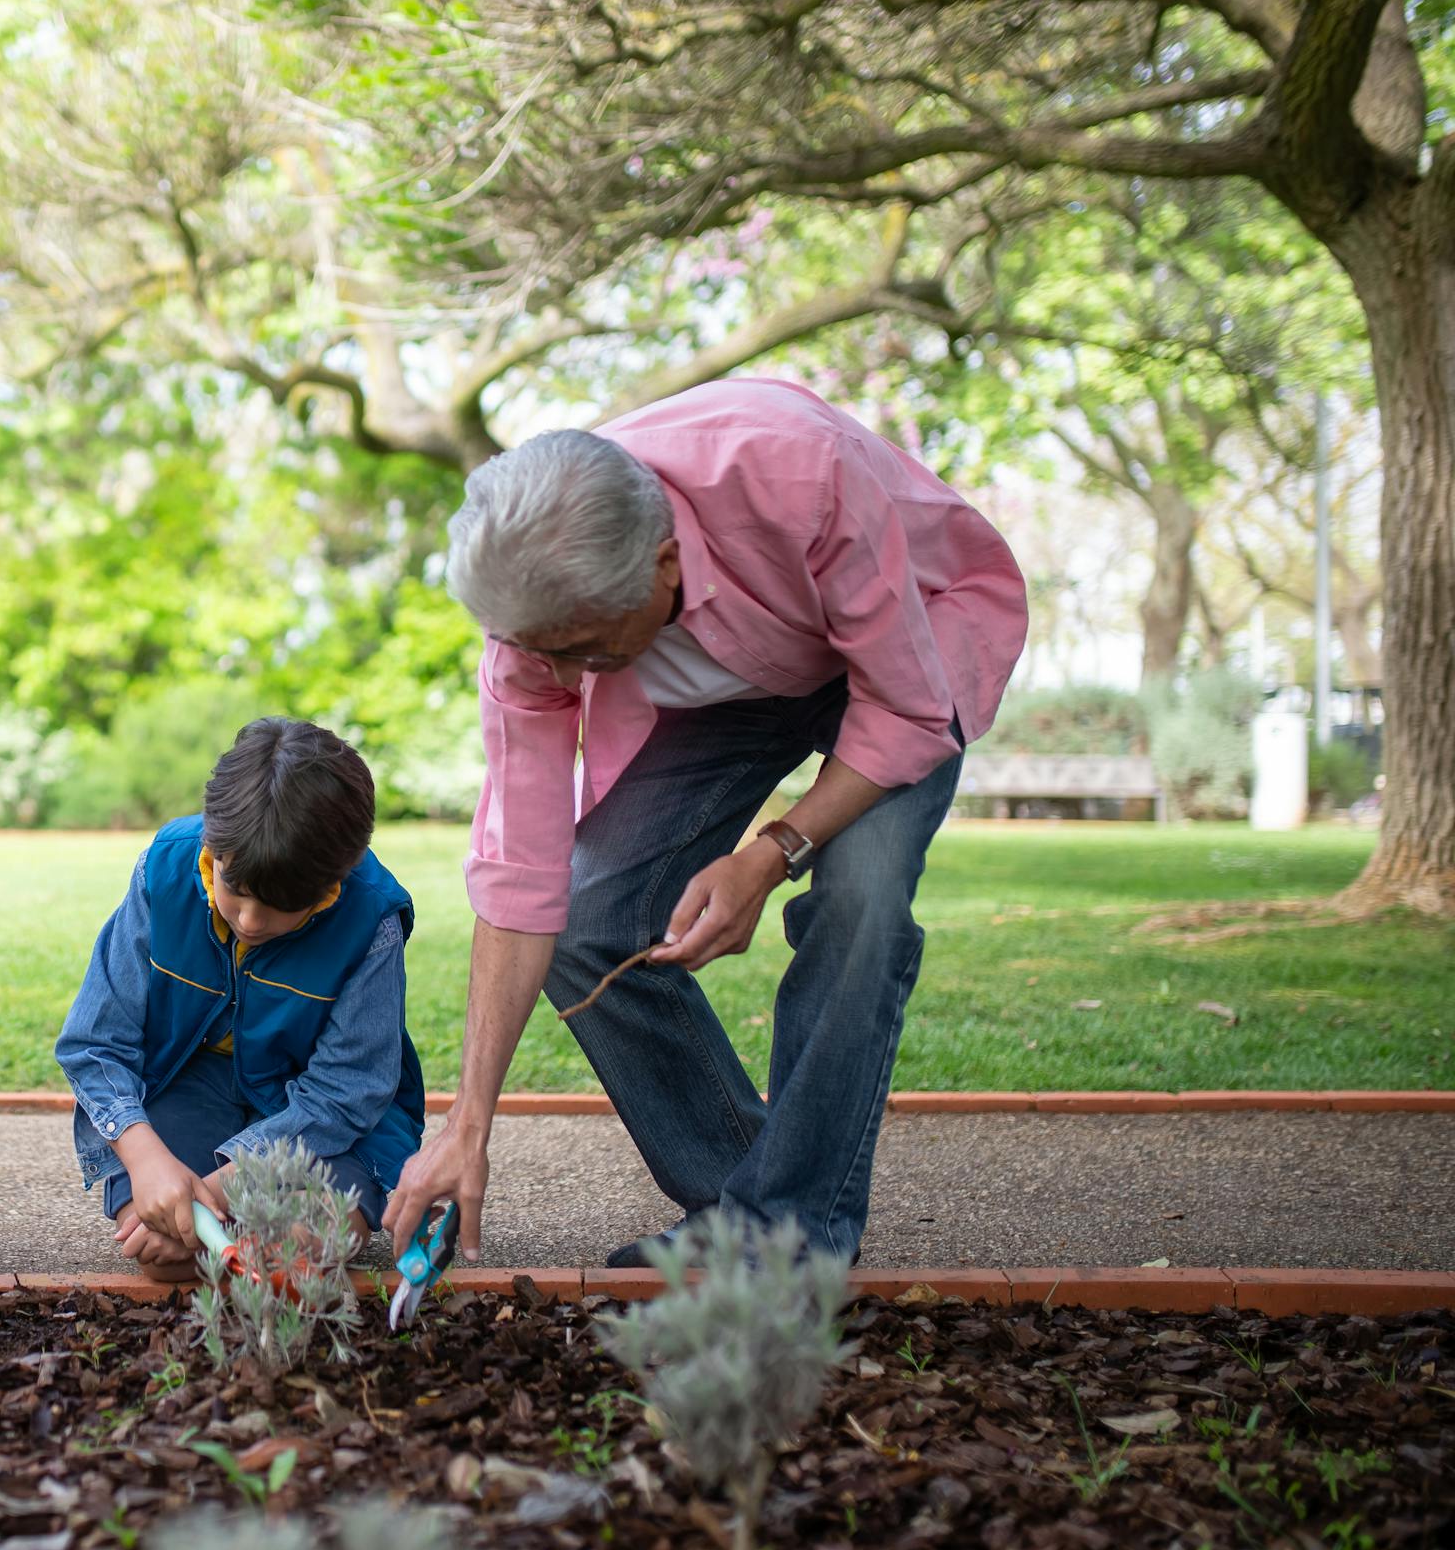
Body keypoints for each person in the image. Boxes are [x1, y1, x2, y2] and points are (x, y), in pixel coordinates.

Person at [385, 378, 1027, 1270]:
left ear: (665, 563)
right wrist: (468, 1122)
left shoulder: (796, 472)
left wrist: (769, 854)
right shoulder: (535, 624)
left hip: (908, 645)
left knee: (862, 897)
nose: (559, 673)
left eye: (585, 651)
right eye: (545, 652)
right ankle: (751, 1216)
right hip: (737, 685)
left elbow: (909, 711)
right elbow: (520, 872)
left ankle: (791, 1237)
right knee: (588, 912)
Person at [54, 718, 426, 1278]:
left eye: (281, 906)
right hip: (189, 1084)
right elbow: (95, 1043)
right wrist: (149, 1162)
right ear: (212, 851)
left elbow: (346, 1091)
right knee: (165, 1252)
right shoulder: (164, 868)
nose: (251, 920)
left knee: (295, 1251)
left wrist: (215, 1190)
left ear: (334, 882)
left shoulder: (372, 919)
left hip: (321, 1119)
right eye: (236, 890)